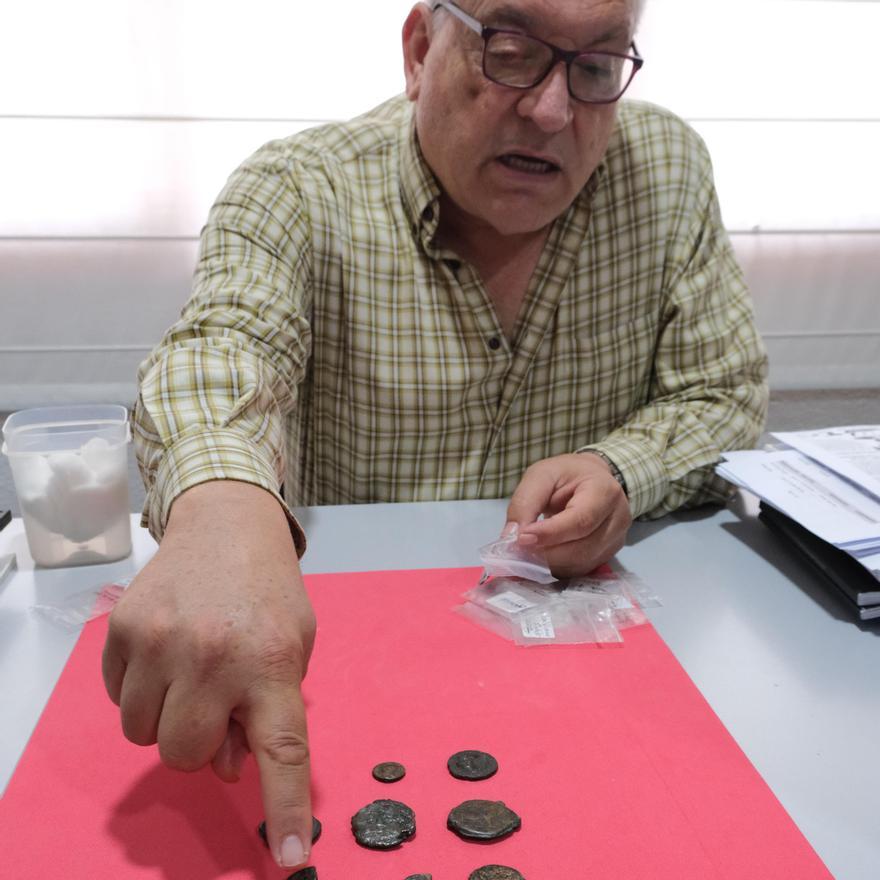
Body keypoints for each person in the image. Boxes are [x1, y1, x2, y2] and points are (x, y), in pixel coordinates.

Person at [102, 0, 768, 870]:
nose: (553, 110)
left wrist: (623, 470)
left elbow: (723, 390)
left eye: (597, 66)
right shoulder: (298, 187)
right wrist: (225, 509)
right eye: (511, 51)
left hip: (588, 687)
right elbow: (223, 351)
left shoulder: (669, 171)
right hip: (346, 680)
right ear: (420, 48)